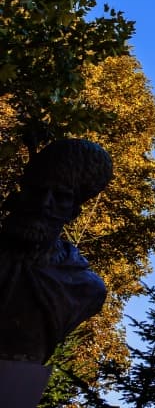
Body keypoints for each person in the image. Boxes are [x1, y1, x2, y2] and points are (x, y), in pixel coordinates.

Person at [0, 138, 113, 364]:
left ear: (73, 212)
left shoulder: (83, 288)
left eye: (60, 197)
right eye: (38, 190)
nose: (43, 204)